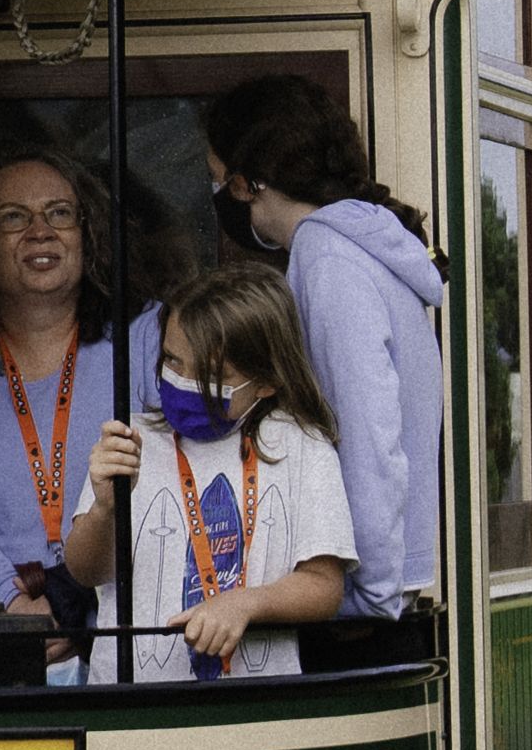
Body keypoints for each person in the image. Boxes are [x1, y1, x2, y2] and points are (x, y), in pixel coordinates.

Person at [199, 73, 444, 626]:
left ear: (246, 185)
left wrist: (370, 594)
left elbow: (366, 432)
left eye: (217, 180)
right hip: (381, 578)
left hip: (363, 589)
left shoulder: (328, 259)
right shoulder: (366, 242)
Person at [60, 261, 362, 680]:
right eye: (172, 360)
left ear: (268, 381)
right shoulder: (132, 439)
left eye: (212, 374)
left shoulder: (300, 445)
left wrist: (245, 604)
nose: (184, 381)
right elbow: (84, 570)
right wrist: (104, 511)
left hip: (254, 705)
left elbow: (324, 586)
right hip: (129, 702)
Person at [0, 144, 166, 616]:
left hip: (129, 615)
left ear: (88, 236)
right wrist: (6, 597)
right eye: (13, 218)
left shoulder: (146, 337)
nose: (40, 232)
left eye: (60, 214)